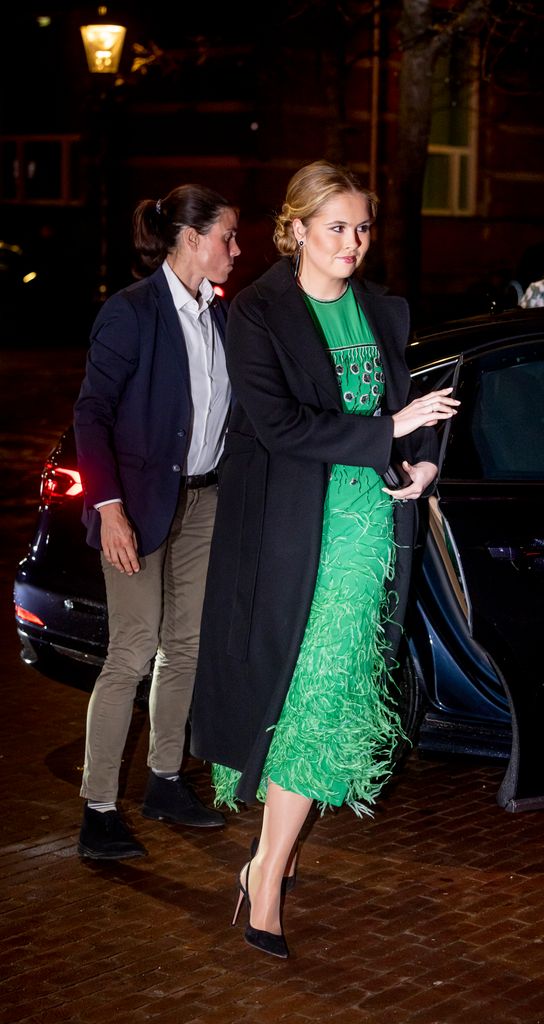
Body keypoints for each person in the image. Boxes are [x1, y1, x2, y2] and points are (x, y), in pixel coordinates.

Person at [190, 160, 459, 959]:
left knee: (331, 692)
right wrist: (388, 431)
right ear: (297, 228)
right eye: (337, 227)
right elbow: (278, 425)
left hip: (366, 525)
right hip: (289, 527)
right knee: (302, 692)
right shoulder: (258, 312)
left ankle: (270, 863)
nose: (352, 243)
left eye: (362, 228)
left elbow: (409, 407)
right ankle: (267, 873)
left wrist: (423, 459)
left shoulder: (382, 308)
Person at [73, 184, 241, 860]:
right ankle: (98, 808)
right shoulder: (132, 311)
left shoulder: (220, 316)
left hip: (203, 502)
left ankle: (165, 780)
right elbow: (91, 414)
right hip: (138, 508)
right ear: (192, 239)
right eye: (227, 236)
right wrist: (108, 508)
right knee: (132, 650)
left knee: (187, 645)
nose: (235, 249)